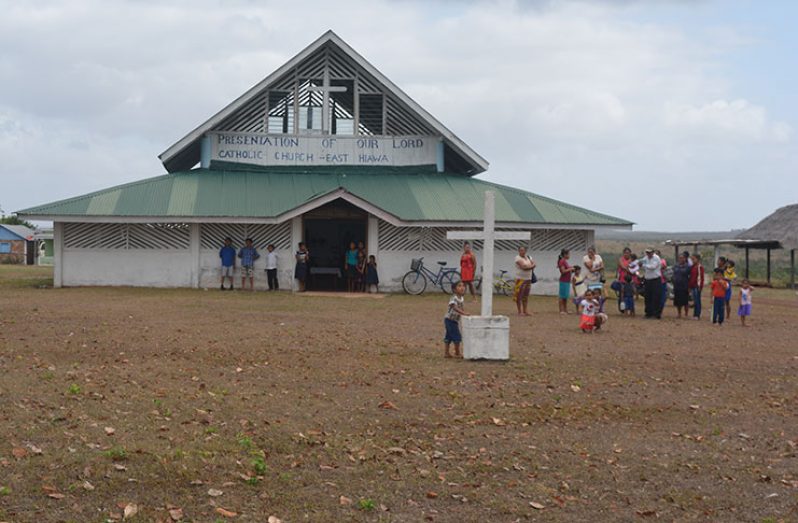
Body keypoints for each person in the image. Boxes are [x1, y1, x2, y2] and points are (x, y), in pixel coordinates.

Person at [444, 281, 469, 358]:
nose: (462, 287)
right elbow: (454, 307)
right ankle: (457, 353)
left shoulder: (461, 298)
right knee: (457, 336)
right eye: (459, 286)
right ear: (454, 289)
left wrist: (463, 314)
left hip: (454, 320)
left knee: (448, 336)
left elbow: (461, 307)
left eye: (463, 286)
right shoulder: (454, 297)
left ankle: (446, 353)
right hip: (449, 320)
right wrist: (463, 313)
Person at [514, 246, 536, 316]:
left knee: (526, 295)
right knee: (519, 295)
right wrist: (532, 266)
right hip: (520, 279)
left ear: (525, 251)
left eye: (523, 250)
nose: (522, 252)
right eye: (520, 250)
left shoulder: (529, 257)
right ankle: (519, 311)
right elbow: (524, 267)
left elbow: (534, 263)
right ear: (518, 251)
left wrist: (530, 266)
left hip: (528, 279)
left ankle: (525, 310)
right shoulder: (517, 258)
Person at [641, 248, 662, 319]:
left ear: (653, 252)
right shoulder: (645, 258)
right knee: (647, 297)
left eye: (649, 252)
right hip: (647, 280)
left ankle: (656, 314)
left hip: (655, 280)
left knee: (656, 297)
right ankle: (648, 313)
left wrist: (643, 265)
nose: (648, 254)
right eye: (647, 252)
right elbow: (640, 262)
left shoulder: (656, 258)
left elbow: (653, 267)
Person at [672, 253, 690, 319]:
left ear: (685, 258)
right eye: (680, 258)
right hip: (677, 285)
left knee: (685, 301)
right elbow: (674, 272)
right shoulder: (676, 265)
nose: (681, 259)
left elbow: (686, 273)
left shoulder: (687, 266)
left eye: (682, 258)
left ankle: (686, 314)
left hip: (684, 286)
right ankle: (679, 313)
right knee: (678, 301)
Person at [557, 248, 576, 314]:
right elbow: (563, 271)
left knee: (565, 296)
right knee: (562, 296)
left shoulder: (565, 261)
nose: (569, 255)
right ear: (565, 254)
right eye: (568, 254)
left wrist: (571, 269)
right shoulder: (562, 261)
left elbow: (567, 269)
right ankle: (561, 310)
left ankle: (565, 310)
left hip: (567, 281)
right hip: (563, 281)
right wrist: (570, 269)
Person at [688, 254, 705, 320]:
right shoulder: (692, 267)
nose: (692, 260)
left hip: (697, 286)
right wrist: (689, 286)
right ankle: (695, 314)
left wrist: (700, 286)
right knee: (695, 300)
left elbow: (701, 278)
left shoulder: (700, 267)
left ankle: (697, 315)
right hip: (692, 286)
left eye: (693, 259)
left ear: (698, 259)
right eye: (692, 259)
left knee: (697, 301)